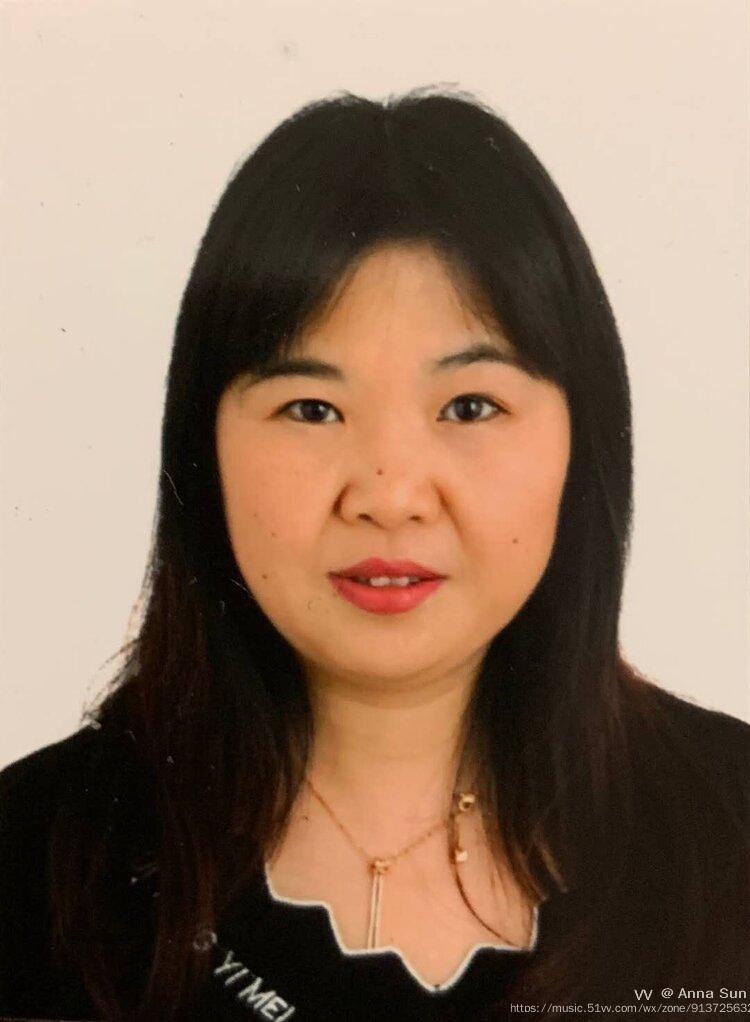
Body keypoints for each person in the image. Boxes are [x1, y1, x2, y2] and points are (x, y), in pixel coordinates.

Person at [1, 87, 748, 1022]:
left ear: (581, 444)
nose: (390, 496)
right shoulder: (32, 861)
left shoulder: (731, 828)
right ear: (204, 449)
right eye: (312, 409)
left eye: (470, 407)